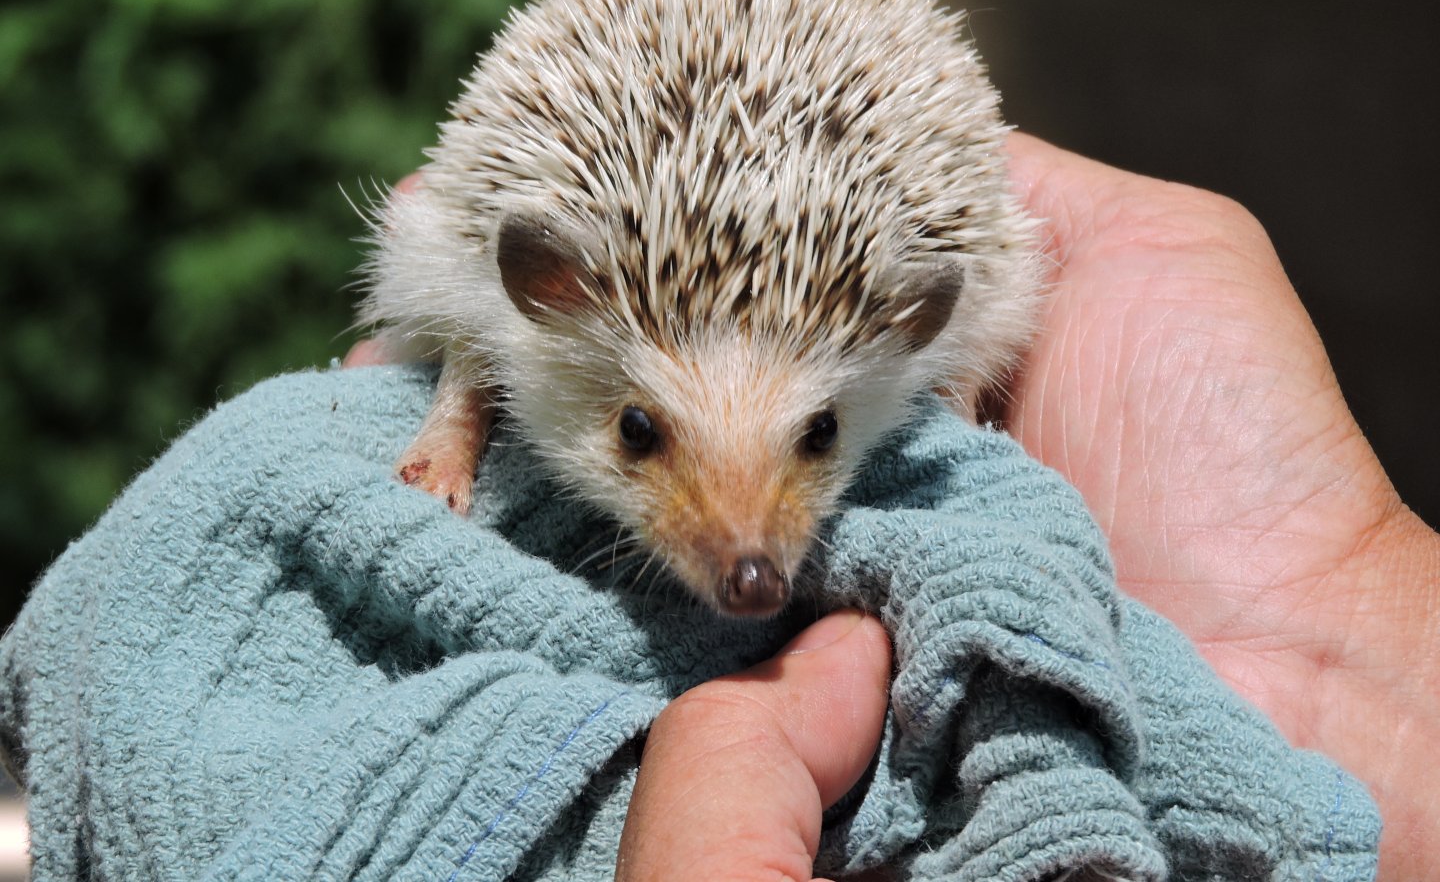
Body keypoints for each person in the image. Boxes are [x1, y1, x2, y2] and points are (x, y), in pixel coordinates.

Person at [351, 134, 1438, 880]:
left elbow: (986, 304)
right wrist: (460, 421)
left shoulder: (936, 307)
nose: (748, 554)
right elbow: (470, 320)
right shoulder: (512, 301)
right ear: (549, 290)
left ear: (909, 328)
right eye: (645, 432)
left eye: (814, 437)